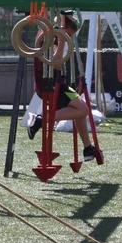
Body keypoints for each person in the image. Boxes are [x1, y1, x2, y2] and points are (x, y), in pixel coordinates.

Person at [26, 11, 96, 161]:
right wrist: (63, 41)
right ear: (64, 28)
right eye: (69, 33)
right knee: (82, 109)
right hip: (48, 84)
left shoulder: (55, 33)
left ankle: (88, 148)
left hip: (59, 82)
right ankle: (41, 119)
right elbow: (54, 64)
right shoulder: (51, 36)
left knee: (80, 109)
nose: (70, 37)